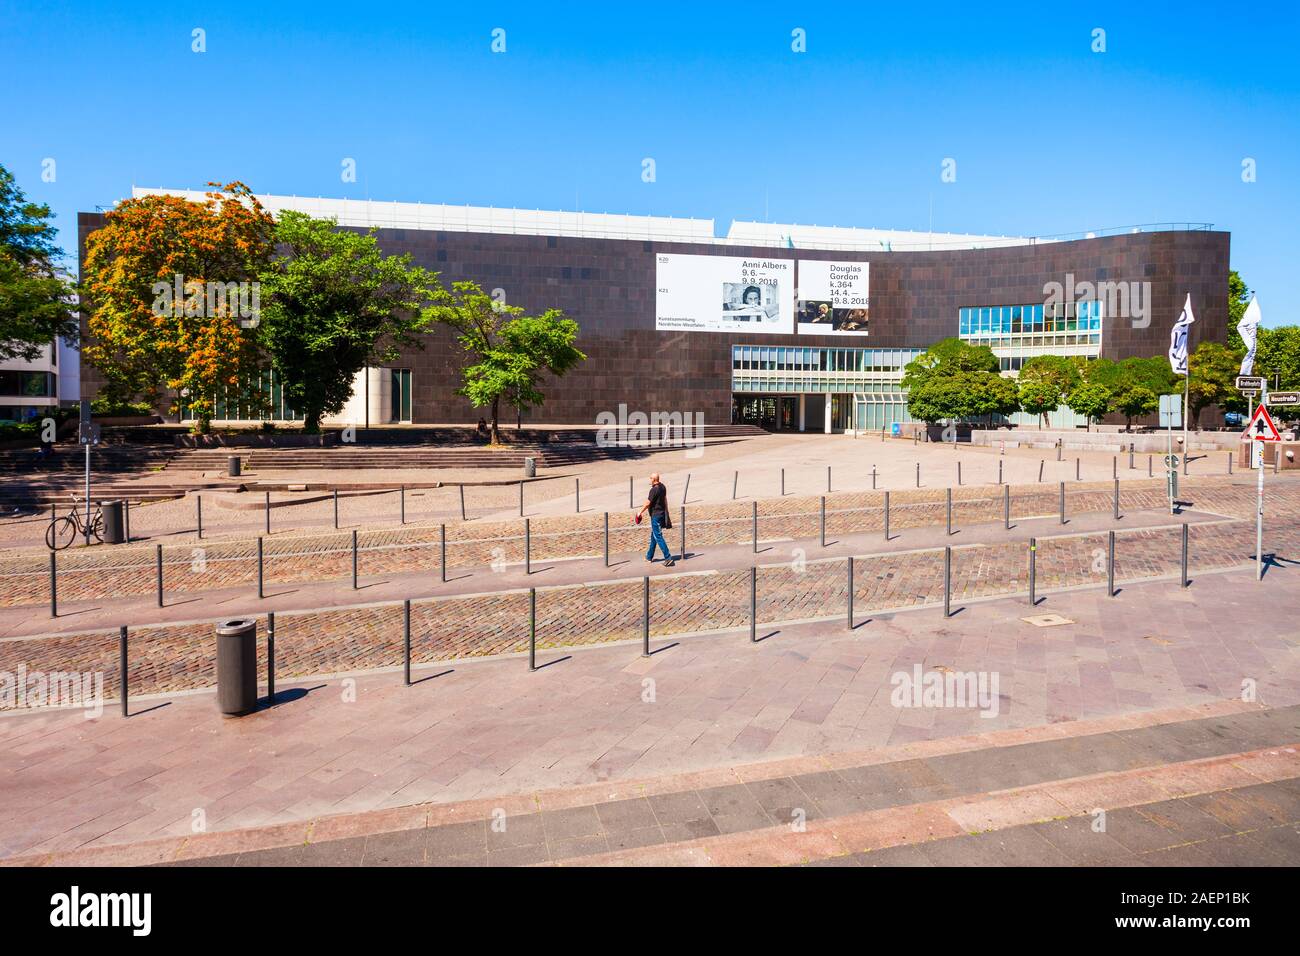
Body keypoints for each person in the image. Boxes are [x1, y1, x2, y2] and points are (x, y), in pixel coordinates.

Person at [636, 473, 674, 566]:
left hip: (656, 516)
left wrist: (640, 512)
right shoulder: (663, 487)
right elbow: (665, 499)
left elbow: (647, 503)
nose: (649, 480)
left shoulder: (654, 490)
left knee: (658, 536)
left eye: (650, 478)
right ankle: (649, 557)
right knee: (654, 536)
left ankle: (668, 557)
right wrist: (667, 511)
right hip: (661, 514)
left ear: (653, 479)